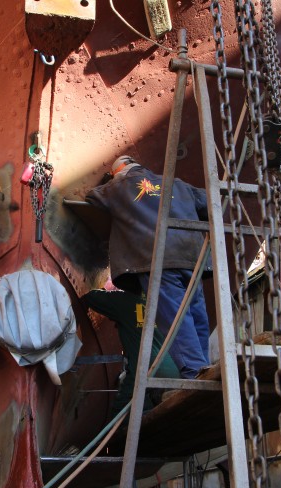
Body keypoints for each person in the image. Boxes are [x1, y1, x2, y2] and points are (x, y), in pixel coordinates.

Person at [85, 155, 211, 379]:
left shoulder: (119, 186)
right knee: (196, 311)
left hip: (157, 259)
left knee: (174, 317)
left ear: (119, 171)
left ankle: (194, 372)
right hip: (192, 258)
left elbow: (92, 197)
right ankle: (206, 368)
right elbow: (208, 202)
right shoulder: (178, 184)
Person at [82, 280, 180, 416]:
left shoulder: (124, 301)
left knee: (122, 416)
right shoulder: (161, 303)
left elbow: (91, 297)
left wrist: (107, 289)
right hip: (174, 369)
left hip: (144, 369)